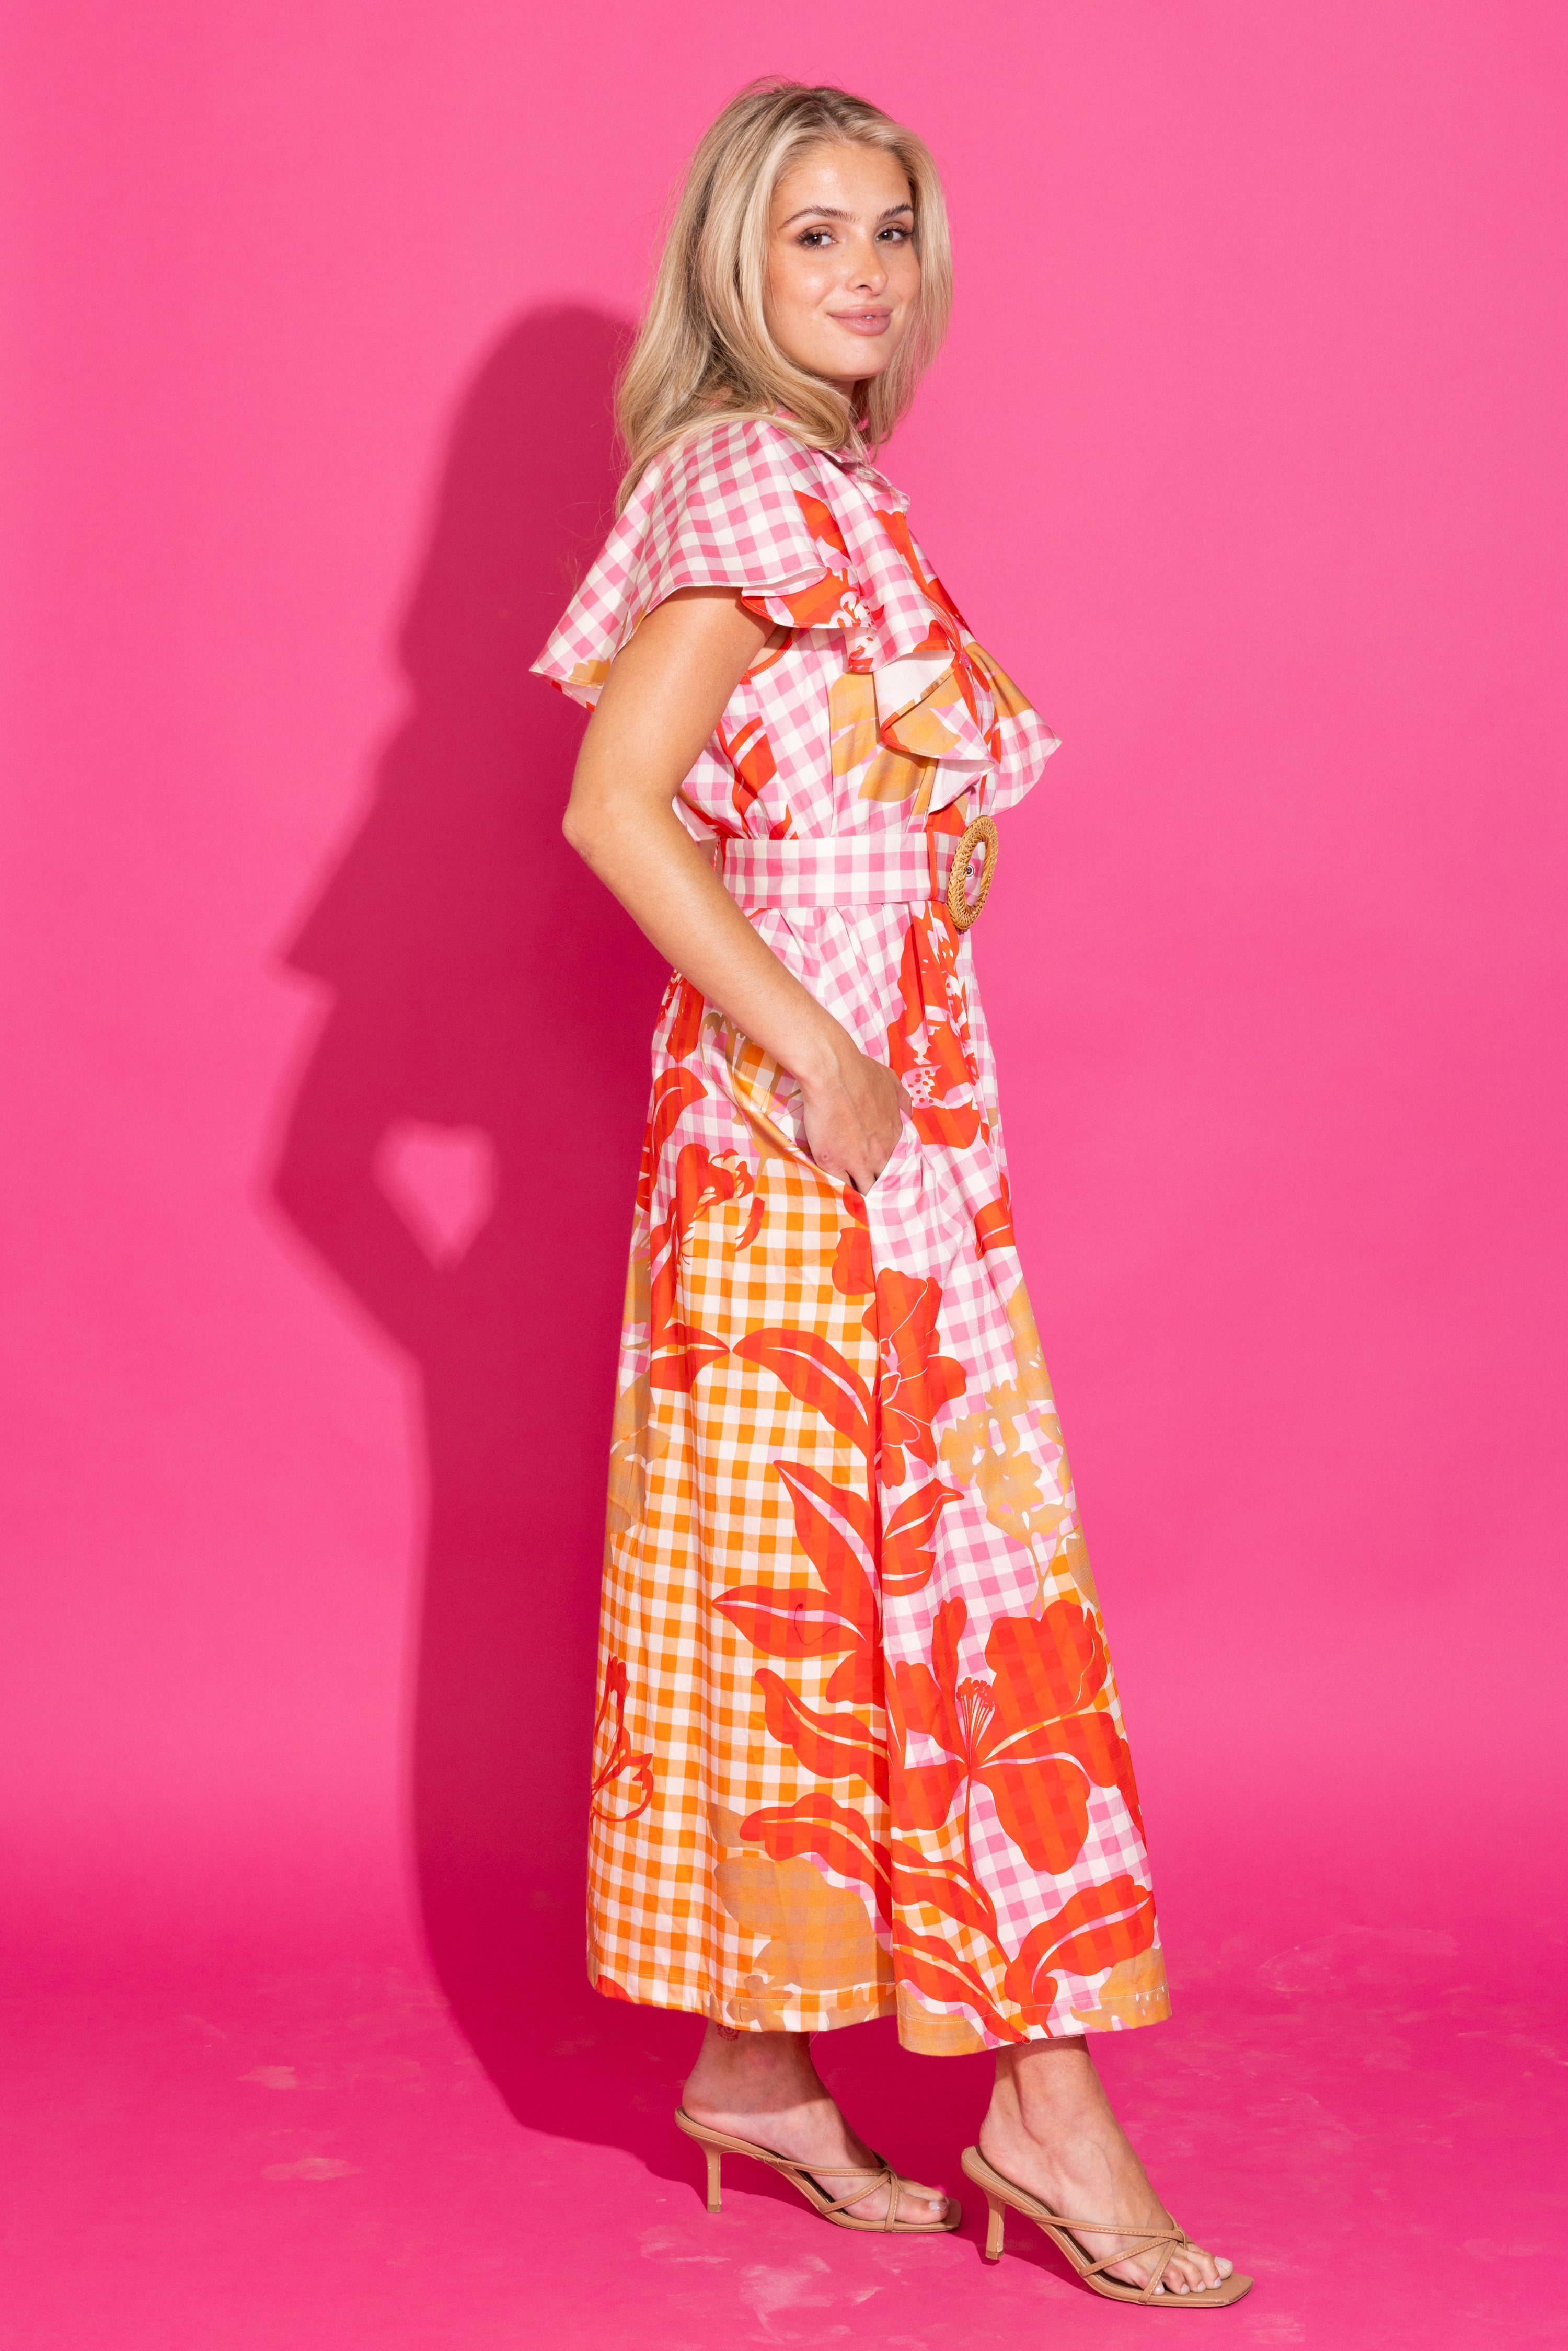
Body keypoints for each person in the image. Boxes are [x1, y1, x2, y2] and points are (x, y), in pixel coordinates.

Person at [535, 78, 1248, 2307]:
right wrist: (826, 1046)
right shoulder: (750, 475)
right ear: (731, 264)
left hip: (870, 1130)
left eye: (891, 233)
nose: (862, 273)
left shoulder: (834, 482)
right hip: (810, 1141)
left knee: (815, 1616)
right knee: (960, 1600)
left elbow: (821, 788)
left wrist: (909, 916)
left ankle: (757, 2068)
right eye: (813, 234)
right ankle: (1049, 2109)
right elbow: (616, 802)